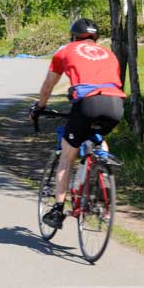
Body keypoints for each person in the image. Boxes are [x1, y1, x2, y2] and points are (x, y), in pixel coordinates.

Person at [30, 18, 126, 229]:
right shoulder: (109, 53)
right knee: (98, 141)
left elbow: (48, 85)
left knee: (67, 155)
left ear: (73, 36)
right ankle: (103, 174)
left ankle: (57, 209)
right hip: (116, 104)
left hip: (88, 103)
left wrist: (40, 106)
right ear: (95, 37)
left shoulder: (66, 50)